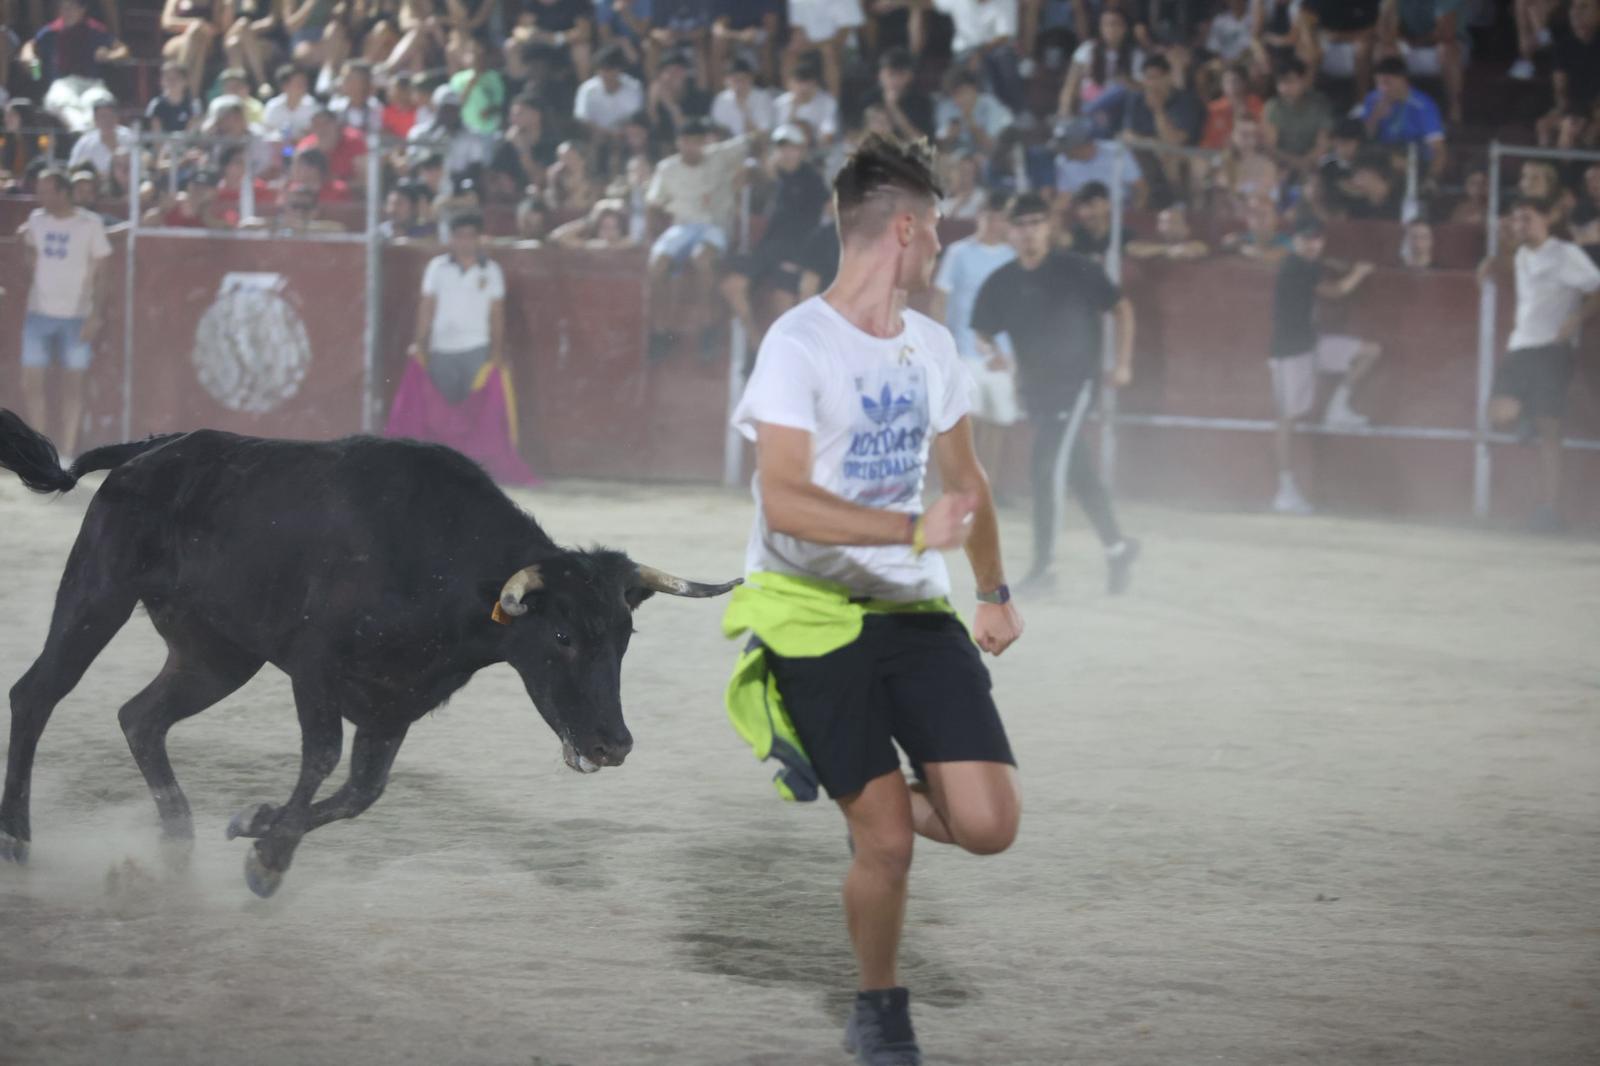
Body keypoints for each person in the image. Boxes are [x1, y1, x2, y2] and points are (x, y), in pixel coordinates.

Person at [725, 132, 1022, 1066]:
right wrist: (909, 530)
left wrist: (994, 592)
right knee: (887, 843)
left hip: (914, 613)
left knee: (989, 825)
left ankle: (849, 773)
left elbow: (967, 483)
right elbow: (783, 499)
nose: (938, 246)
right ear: (905, 229)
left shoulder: (932, 346)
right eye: (934, 229)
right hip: (811, 614)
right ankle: (880, 1008)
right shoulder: (798, 344)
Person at [972, 191, 1141, 594]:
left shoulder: (1075, 268)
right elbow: (981, 330)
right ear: (1009, 232)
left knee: (1044, 468)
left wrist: (1122, 363)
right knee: (1079, 471)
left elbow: (1121, 308)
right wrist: (995, 354)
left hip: (1076, 385)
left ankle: (1044, 569)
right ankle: (1118, 548)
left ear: (1048, 227)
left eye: (1036, 223)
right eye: (1020, 225)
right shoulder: (1002, 281)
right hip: (1036, 391)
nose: (1028, 232)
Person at [1479, 196, 1600, 532]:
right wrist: (1494, 256)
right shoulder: (1521, 254)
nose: (1521, 225)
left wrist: (1576, 318)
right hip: (1520, 346)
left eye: (1527, 218)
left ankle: (1549, 510)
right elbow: (1505, 267)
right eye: (1517, 219)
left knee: (1550, 432)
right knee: (1498, 414)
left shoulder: (1565, 254)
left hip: (1551, 349)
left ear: (1547, 219)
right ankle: (1528, 416)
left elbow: (1597, 287)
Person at [1267, 219, 1381, 515]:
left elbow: (1323, 269)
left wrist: (1338, 264)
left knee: (1369, 352)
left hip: (1310, 344)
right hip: (1291, 352)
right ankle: (1285, 490)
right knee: (1288, 420)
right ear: (1294, 241)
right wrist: (1359, 272)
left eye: (1317, 239)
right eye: (1307, 239)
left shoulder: (1303, 264)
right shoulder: (1297, 265)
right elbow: (1337, 291)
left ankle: (1337, 409)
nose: (1312, 244)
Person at [644, 114, 759, 358]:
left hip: (713, 226)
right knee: (657, 264)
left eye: (698, 141)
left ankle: (708, 328)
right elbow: (653, 203)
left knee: (703, 259)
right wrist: (651, 235)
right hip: (682, 226)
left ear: (704, 142)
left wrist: (749, 168)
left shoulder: (720, 155)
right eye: (687, 141)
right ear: (679, 142)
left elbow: (754, 140)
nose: (692, 147)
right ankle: (661, 330)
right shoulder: (667, 168)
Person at [16, 167, 111, 459]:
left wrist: (96, 314)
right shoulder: (36, 219)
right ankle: (40, 450)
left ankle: (67, 451)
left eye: (46, 191)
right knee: (31, 382)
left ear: (62, 192)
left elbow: (103, 274)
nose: (40, 196)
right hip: (39, 311)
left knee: (73, 385)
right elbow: (27, 248)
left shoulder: (89, 223)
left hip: (77, 314)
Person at [932, 188, 1016, 479]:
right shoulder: (959, 252)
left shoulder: (1012, 255)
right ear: (980, 217)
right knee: (970, 419)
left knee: (998, 421)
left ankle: (987, 482)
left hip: (1002, 353)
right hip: (965, 349)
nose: (994, 223)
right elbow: (940, 298)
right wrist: (943, 347)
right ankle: (965, 481)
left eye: (1000, 218)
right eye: (990, 216)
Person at [719, 123, 828, 345]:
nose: (786, 153)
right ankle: (757, 345)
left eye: (792, 147)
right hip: (769, 247)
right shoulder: (769, 176)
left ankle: (787, 351)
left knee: (782, 301)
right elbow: (737, 188)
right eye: (781, 147)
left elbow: (823, 218)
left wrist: (803, 259)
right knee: (732, 286)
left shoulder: (812, 179)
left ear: (801, 150)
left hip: (796, 251)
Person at [409, 211, 507, 406]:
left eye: (470, 236)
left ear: (479, 239)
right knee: (440, 410)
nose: (465, 242)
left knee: (476, 410)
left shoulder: (492, 270)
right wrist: (419, 343)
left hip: (477, 348)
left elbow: (497, 315)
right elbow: (426, 308)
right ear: (451, 239)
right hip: (442, 348)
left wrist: (496, 352)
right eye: (460, 236)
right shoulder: (437, 267)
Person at [1359, 55, 1446, 185]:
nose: (1383, 89)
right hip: (1381, 153)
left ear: (1403, 80)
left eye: (1387, 83)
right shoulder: (1373, 99)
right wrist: (1375, 116)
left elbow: (1438, 148)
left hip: (1414, 156)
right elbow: (1364, 137)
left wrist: (1431, 178)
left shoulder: (1422, 105)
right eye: (1379, 84)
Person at [1126, 203, 1210, 259]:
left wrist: (1179, 250)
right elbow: (1132, 248)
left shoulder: (1197, 245)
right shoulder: (1149, 241)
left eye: (1174, 222)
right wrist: (1167, 250)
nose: (1169, 226)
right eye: (1163, 222)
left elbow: (1201, 249)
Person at [262, 62, 317, 143]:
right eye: (299, 83)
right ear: (285, 86)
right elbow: (267, 133)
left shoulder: (313, 107)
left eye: (304, 83)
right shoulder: (273, 107)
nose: (303, 87)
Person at [146, 60, 202, 135]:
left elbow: (190, 134)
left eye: (176, 78)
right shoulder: (156, 104)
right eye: (168, 78)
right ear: (162, 81)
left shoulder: (194, 105)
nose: (171, 82)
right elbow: (156, 135)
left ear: (185, 81)